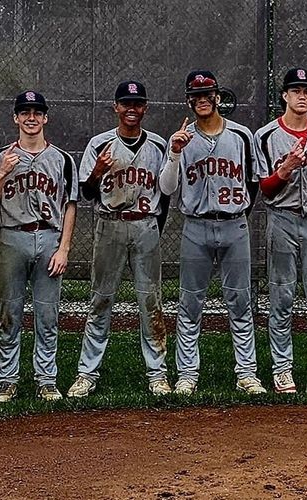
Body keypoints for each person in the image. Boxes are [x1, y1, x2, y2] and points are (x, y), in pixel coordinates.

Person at [159, 70, 266, 395]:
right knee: (190, 304)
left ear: (218, 97)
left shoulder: (241, 135)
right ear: (189, 101)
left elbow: (254, 181)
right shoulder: (181, 138)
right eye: (196, 95)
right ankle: (188, 375)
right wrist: (176, 152)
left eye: (208, 94)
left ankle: (247, 374)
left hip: (234, 225)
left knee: (240, 302)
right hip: (196, 227)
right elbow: (167, 187)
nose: (202, 100)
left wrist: (238, 215)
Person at [70, 81, 173, 397]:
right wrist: (98, 171)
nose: (131, 108)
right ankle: (87, 373)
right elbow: (87, 193)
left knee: (150, 301)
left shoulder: (157, 144)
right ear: (115, 107)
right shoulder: (99, 143)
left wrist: (155, 225)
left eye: (137, 103)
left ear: (145, 108)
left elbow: (165, 193)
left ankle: (157, 373)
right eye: (125, 103)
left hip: (145, 225)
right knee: (101, 298)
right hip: (110, 225)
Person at [0, 91, 78, 402]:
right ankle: (7, 379)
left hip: (49, 236)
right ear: (16, 118)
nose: (31, 117)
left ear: (46, 117)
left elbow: (70, 206)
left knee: (47, 314)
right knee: (9, 312)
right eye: (25, 112)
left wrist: (63, 249)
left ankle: (46, 379)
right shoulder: (0, 156)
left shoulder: (62, 159)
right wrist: (2, 173)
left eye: (37, 112)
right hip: (12, 235)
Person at [256, 68, 307, 393]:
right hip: (282, 218)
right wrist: (286, 169)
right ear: (285, 96)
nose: (302, 96)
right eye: (295, 90)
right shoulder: (266, 136)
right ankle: (282, 369)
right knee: (282, 296)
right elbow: (266, 189)